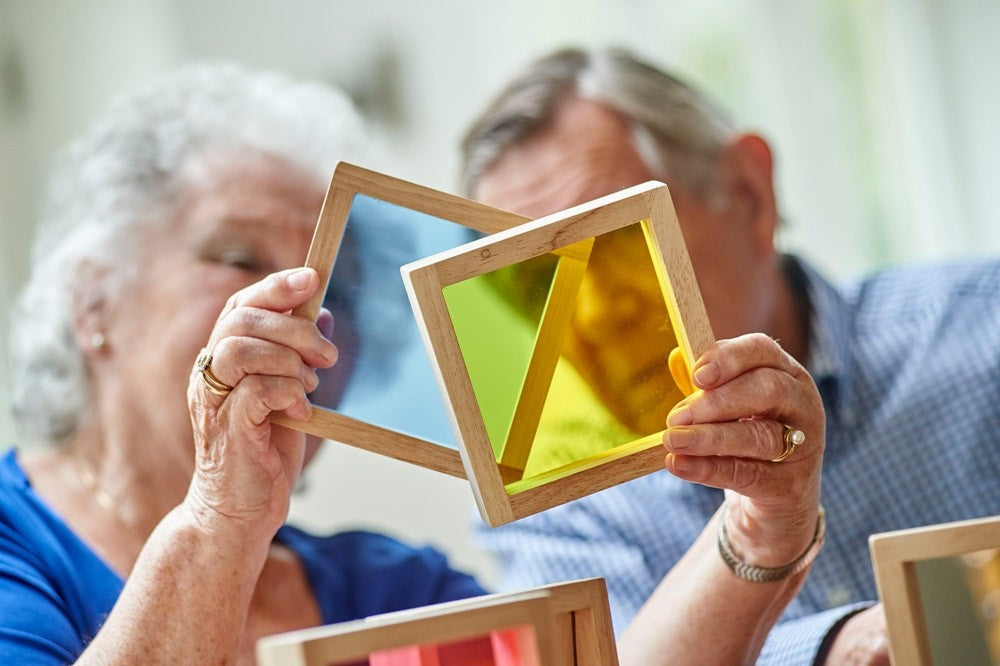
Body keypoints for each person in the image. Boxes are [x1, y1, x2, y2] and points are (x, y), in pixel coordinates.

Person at [0, 61, 826, 665]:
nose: (300, 311)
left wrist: (756, 531)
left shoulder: (389, 587)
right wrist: (219, 518)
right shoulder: (16, 544)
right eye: (239, 257)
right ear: (94, 302)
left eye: (340, 287)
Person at [461, 46, 1000, 665]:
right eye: (540, 288)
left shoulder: (985, 332)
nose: (593, 315)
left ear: (749, 194)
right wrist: (836, 647)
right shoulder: (553, 512)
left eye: (615, 241)